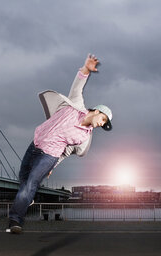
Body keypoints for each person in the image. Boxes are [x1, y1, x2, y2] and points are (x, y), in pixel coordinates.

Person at [7, 53, 113, 234]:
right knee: (23, 178)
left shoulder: (83, 138)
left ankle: (15, 221)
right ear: (96, 111)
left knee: (31, 182)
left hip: (50, 155)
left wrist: (52, 166)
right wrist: (86, 69)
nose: (101, 123)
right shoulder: (76, 105)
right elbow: (78, 86)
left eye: (104, 124)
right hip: (35, 144)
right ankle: (28, 198)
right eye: (103, 119)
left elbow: (65, 152)